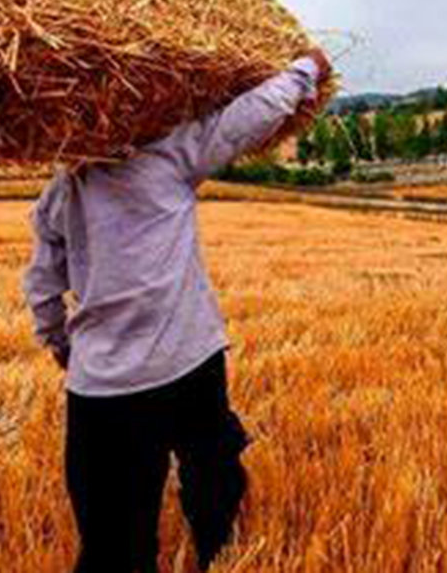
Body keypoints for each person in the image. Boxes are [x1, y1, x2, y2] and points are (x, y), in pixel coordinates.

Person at [22, 50, 332, 573]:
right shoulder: (170, 155)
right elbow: (249, 116)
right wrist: (306, 70)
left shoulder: (62, 189)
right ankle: (218, 554)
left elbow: (41, 285)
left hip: (102, 387)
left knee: (111, 538)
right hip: (187, 361)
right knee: (213, 478)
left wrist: (60, 343)